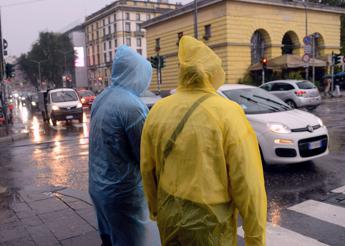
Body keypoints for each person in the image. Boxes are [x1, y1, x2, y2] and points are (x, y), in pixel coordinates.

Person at [141, 36, 267, 246]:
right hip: (210, 224)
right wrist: (256, 238)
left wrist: (156, 209)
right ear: (213, 72)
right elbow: (248, 181)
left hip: (169, 215)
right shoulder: (228, 113)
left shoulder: (158, 110)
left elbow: (147, 168)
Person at [89, 45, 159, 246]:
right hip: (123, 195)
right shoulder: (132, 107)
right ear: (136, 74)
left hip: (99, 188)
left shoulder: (102, 98)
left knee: (109, 239)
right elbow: (145, 156)